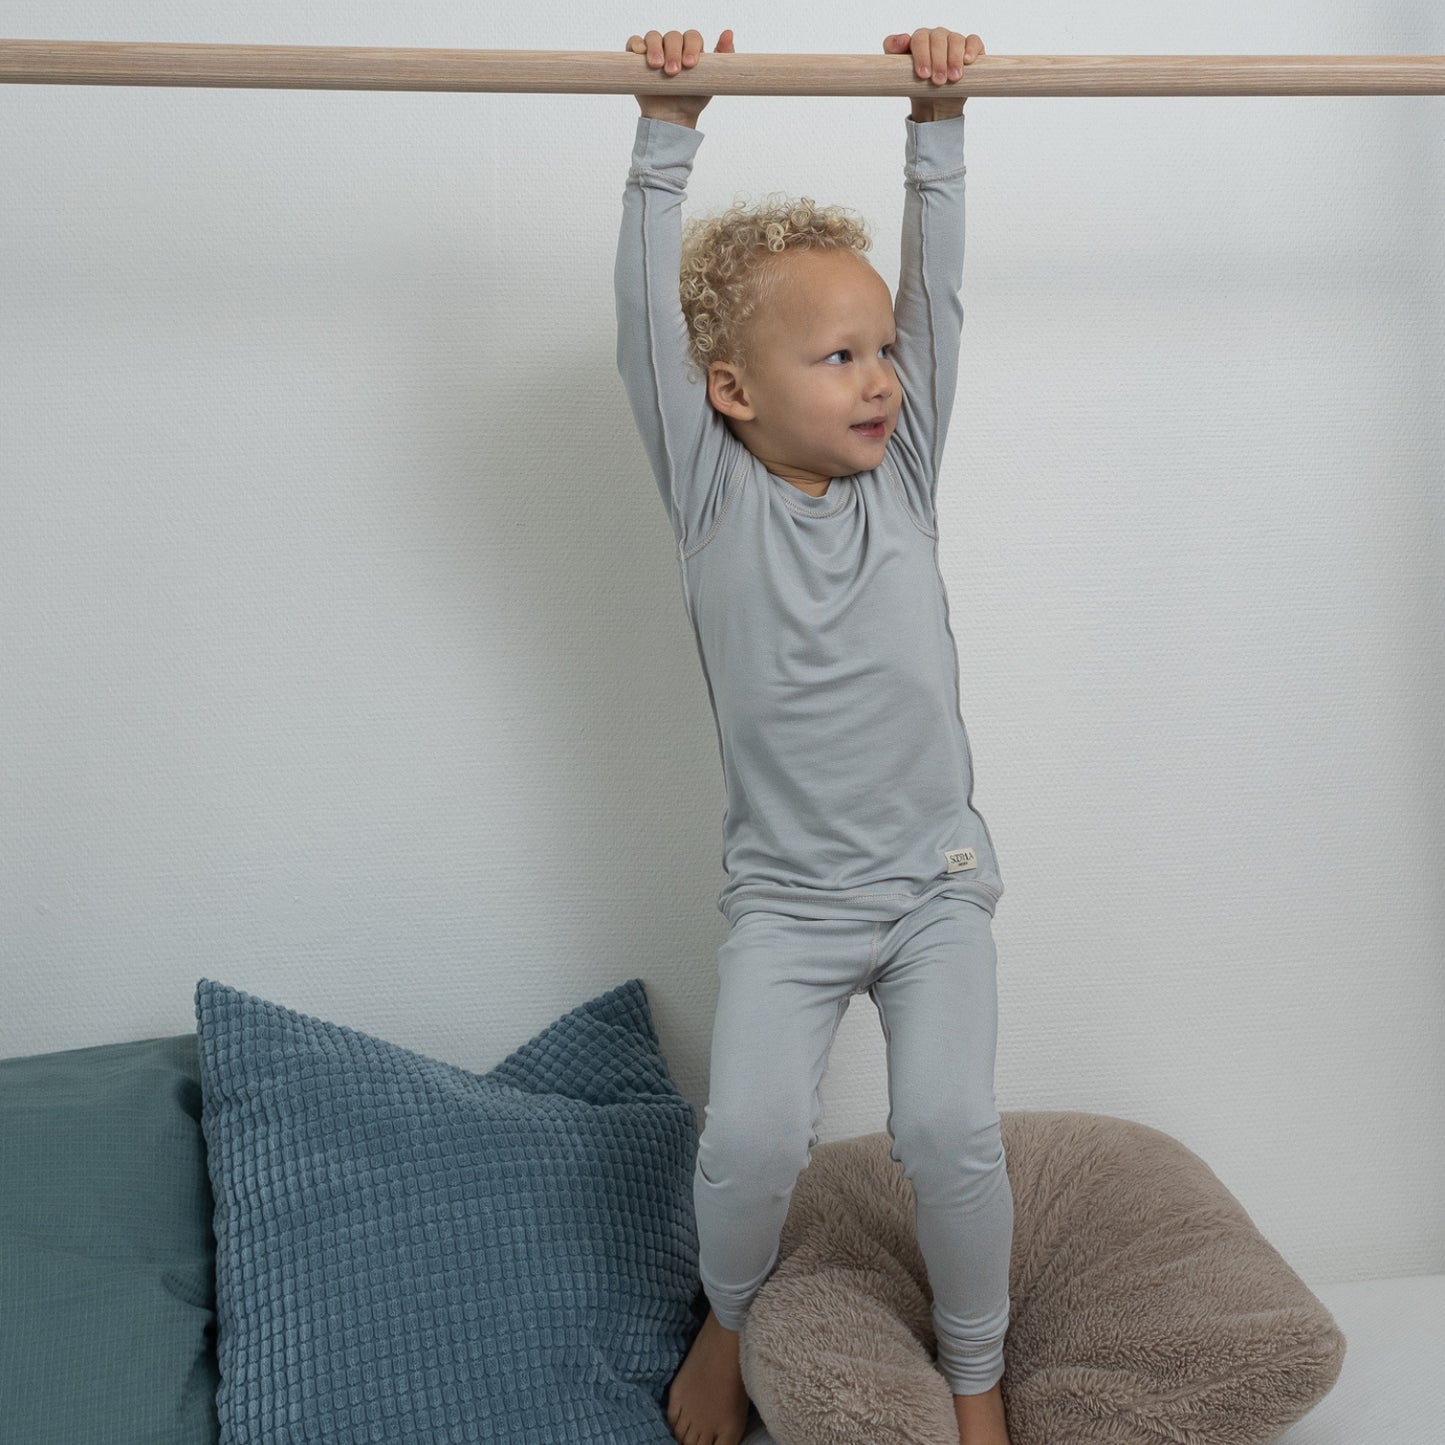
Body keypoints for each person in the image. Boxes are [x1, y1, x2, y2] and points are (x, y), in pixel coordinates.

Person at [615, 25, 1012, 1445]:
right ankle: (730, 1315)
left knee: (950, 1134)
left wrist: (936, 122)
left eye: (880, 350)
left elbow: (941, 290)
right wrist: (667, 129)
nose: (877, 378)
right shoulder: (710, 495)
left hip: (932, 887)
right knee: (751, 1139)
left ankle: (975, 1375)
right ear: (731, 391)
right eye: (836, 355)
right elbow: (637, 325)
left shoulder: (900, 474)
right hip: (786, 901)